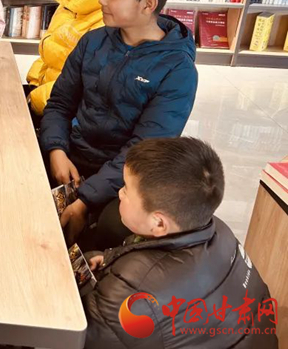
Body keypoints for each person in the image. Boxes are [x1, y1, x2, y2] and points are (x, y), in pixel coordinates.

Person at [39, 0, 198, 247]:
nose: (101, 0)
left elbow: (143, 150)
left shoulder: (178, 70)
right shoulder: (93, 41)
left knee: (114, 225)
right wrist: (56, 149)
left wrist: (87, 198)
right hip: (73, 154)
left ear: (148, 4)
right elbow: (60, 103)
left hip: (124, 178)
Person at [84, 137, 277, 348]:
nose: (120, 193)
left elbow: (81, 338)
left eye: (126, 189)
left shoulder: (131, 295)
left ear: (159, 223)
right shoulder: (217, 229)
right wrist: (109, 260)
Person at [26, 0, 136, 116]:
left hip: (60, 109)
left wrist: (33, 99)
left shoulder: (109, 17)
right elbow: (50, 52)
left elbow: (81, 85)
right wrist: (33, 83)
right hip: (42, 92)